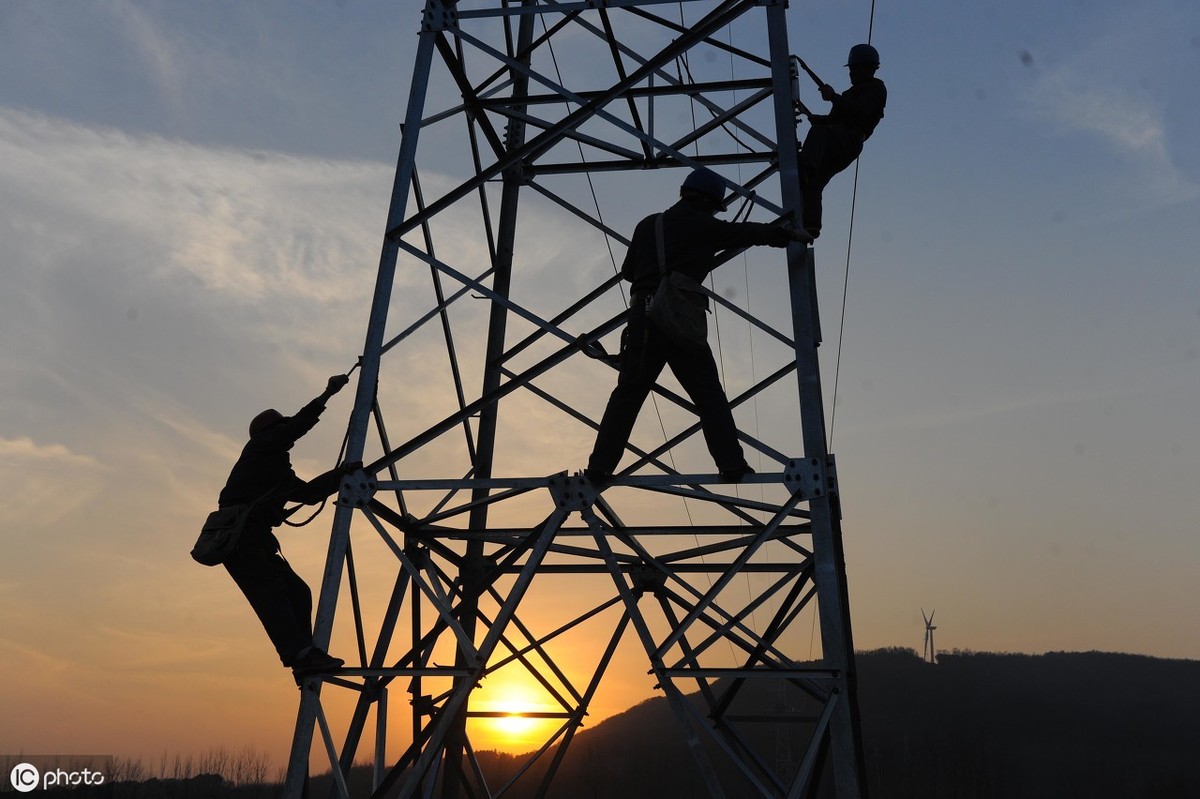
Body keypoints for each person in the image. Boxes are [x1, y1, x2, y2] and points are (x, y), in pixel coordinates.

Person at [585, 168, 809, 486]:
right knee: (708, 395)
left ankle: (599, 467)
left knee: (628, 393)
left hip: (641, 317)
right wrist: (786, 236)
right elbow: (749, 234)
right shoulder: (705, 226)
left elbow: (629, 272)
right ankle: (731, 464)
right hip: (678, 319)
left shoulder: (648, 224)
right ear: (709, 202)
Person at [219, 374, 355, 681]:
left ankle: (305, 654)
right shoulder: (259, 449)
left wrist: (342, 474)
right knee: (273, 595)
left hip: (256, 539)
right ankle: (300, 656)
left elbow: (308, 495)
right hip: (241, 538)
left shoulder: (276, 468)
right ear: (271, 432)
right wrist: (326, 395)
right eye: (282, 428)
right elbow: (295, 428)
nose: (287, 433)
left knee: (297, 591)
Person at [798, 43, 887, 239]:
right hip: (839, 141)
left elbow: (860, 113)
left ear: (866, 68)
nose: (851, 74)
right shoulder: (850, 94)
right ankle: (811, 225)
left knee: (818, 135)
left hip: (848, 140)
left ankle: (805, 167)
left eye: (853, 69)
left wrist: (833, 98)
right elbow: (834, 119)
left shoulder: (876, 89)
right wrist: (816, 117)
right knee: (814, 184)